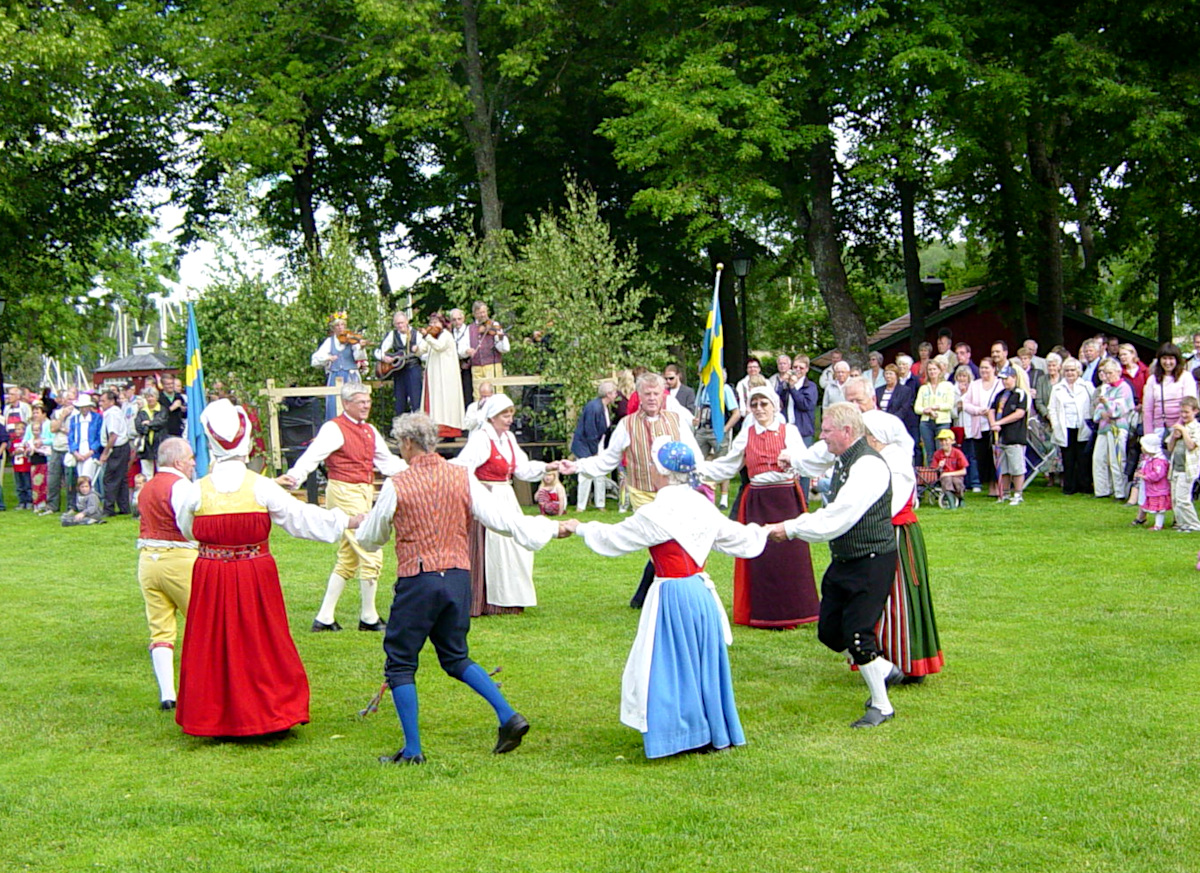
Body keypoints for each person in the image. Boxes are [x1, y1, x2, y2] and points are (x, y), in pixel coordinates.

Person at [356, 413, 565, 764]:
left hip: (418, 578)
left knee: (401, 663)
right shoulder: (462, 476)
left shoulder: (397, 483)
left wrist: (363, 529)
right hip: (457, 579)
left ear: (407, 444)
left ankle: (412, 751)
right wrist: (547, 530)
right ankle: (508, 716)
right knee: (455, 656)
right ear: (433, 442)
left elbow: (371, 537)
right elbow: (500, 520)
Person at [563, 439, 768, 758]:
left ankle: (680, 734)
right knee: (700, 663)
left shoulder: (657, 512)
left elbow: (615, 539)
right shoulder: (702, 504)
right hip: (699, 594)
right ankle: (710, 729)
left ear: (662, 473)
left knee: (668, 664)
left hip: (672, 592)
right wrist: (768, 532)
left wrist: (580, 527)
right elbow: (736, 539)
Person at [174, 399, 361, 738]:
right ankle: (269, 713)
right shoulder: (260, 486)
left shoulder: (196, 492)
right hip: (253, 575)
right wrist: (346, 519)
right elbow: (300, 518)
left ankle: (218, 716)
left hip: (213, 575)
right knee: (261, 642)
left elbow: (186, 530)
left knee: (214, 643)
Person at [767, 403, 900, 728]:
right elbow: (815, 457)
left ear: (847, 432)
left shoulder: (868, 466)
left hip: (872, 559)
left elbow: (838, 517)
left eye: (827, 430)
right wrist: (793, 460)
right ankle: (884, 670)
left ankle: (882, 706)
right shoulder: (842, 454)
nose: (822, 435)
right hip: (846, 559)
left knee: (857, 634)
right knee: (829, 632)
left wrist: (792, 528)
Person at [559, 372, 707, 609]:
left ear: (663, 395)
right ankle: (651, 594)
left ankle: (649, 594)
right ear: (639, 395)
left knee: (672, 540)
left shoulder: (676, 420)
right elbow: (607, 459)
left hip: (675, 491)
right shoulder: (627, 424)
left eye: (656, 393)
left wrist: (698, 482)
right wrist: (577, 466)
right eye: (646, 394)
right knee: (657, 538)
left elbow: (694, 455)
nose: (651, 398)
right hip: (642, 492)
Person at [277, 383, 406, 633]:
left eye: (367, 401)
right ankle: (368, 617)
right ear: (346, 403)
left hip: (362, 490)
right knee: (370, 548)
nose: (366, 405)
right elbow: (312, 456)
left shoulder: (368, 430)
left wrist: (417, 470)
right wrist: (294, 478)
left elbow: (386, 461)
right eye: (360, 401)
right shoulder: (334, 428)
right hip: (344, 490)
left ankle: (324, 618)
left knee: (348, 556)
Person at [703, 385, 818, 628]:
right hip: (758, 499)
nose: (759, 409)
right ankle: (763, 613)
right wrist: (698, 469)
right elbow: (728, 466)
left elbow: (805, 462)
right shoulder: (746, 434)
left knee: (790, 556)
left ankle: (794, 612)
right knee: (761, 555)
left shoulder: (790, 431)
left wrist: (793, 462)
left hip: (786, 497)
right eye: (754, 404)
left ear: (774, 406)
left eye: (764, 404)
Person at [453, 394, 555, 615]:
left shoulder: (508, 438)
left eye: (510, 414)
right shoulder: (481, 438)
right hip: (486, 495)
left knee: (515, 547)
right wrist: (476, 491)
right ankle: (487, 601)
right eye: (504, 415)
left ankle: (509, 599)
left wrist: (547, 467)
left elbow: (521, 468)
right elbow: (463, 467)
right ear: (492, 416)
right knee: (494, 548)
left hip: (506, 495)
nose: (509, 419)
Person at [136, 438, 199, 710]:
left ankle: (167, 694)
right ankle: (207, 684)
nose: (193, 463)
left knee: (160, 629)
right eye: (190, 458)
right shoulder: (181, 486)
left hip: (147, 560)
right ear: (178, 462)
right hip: (179, 558)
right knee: (203, 620)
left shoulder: (146, 487)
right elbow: (189, 524)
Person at [1049, 358, 1095, 495]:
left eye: (1073, 370)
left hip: (1082, 426)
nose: (1070, 373)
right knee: (1068, 459)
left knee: (1083, 458)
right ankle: (1069, 487)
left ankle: (1084, 486)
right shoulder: (1057, 388)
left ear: (1078, 371)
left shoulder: (1087, 386)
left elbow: (1093, 404)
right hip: (1065, 427)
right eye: (1067, 370)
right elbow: (1052, 408)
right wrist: (1055, 425)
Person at [571, 381, 618, 512]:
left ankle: (600, 504)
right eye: (614, 393)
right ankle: (581, 506)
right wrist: (594, 452)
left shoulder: (603, 406)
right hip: (587, 445)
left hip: (599, 444)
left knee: (600, 474)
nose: (616, 395)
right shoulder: (594, 407)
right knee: (585, 474)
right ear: (608, 394)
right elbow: (590, 431)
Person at [1091, 359, 1135, 501]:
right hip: (1104, 428)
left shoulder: (1124, 388)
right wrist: (1103, 411)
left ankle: (1120, 492)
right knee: (1098, 458)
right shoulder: (1107, 388)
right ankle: (1102, 490)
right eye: (1105, 373)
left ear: (1118, 372)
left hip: (1117, 428)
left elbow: (1117, 411)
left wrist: (1106, 405)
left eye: (1110, 373)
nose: (1108, 376)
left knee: (1117, 459)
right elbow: (1097, 412)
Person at [312, 312, 367, 420]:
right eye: (337, 325)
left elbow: (358, 357)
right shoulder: (329, 341)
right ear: (333, 328)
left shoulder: (352, 340)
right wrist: (327, 358)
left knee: (354, 404)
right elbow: (315, 360)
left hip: (351, 377)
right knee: (333, 406)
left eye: (343, 325)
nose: (341, 328)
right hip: (335, 377)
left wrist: (361, 347)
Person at [418, 312, 465, 434]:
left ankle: (449, 430)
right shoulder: (432, 336)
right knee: (434, 401)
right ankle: (433, 428)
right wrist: (417, 347)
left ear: (442, 324)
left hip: (446, 375)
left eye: (435, 322)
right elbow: (421, 349)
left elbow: (439, 346)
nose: (433, 325)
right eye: (431, 323)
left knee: (445, 401)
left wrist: (427, 337)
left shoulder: (446, 335)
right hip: (434, 375)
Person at [962, 358, 1004, 496]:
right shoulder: (974, 385)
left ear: (993, 369)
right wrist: (979, 411)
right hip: (979, 427)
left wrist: (992, 413)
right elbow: (966, 404)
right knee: (982, 457)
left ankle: (997, 487)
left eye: (987, 367)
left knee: (995, 457)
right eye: (982, 368)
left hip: (995, 426)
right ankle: (988, 485)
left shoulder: (1000, 384)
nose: (984, 370)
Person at [989, 366, 1029, 505]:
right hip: (1000, 437)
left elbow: (1019, 413)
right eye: (1003, 379)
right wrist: (993, 423)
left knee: (1016, 467)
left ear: (1014, 378)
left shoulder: (1020, 394)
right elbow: (991, 410)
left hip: (1014, 436)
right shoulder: (1000, 395)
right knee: (1003, 467)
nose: (1005, 382)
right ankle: (1004, 493)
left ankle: (1018, 493)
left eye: (1007, 378)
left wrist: (1000, 422)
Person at [1143, 343, 1197, 439]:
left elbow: (1190, 405)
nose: (1167, 362)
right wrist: (1148, 434)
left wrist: (1178, 427)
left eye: (1171, 359)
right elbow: (1148, 409)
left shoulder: (1186, 377)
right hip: (1158, 428)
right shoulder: (1152, 379)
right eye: (1164, 358)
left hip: (1181, 428)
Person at [375, 311, 423, 416]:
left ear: (407, 321)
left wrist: (419, 351)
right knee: (399, 402)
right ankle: (400, 428)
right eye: (397, 324)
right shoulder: (393, 335)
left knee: (416, 401)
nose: (400, 325)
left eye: (402, 322)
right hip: (399, 372)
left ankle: (418, 428)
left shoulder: (417, 334)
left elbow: (424, 354)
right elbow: (378, 351)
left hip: (413, 369)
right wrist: (384, 357)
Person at [1167, 397, 1200, 532]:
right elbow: (1169, 448)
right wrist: (1174, 437)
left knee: (1183, 499)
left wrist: (1184, 432)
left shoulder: (1196, 428)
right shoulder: (1180, 427)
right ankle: (1182, 523)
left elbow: (1192, 445)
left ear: (1195, 411)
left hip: (1187, 470)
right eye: (1182, 412)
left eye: (1187, 412)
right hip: (1175, 467)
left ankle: (1194, 524)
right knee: (1175, 499)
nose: (1184, 415)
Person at [466, 301, 510, 401]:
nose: (483, 315)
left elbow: (504, 349)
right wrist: (467, 350)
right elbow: (464, 347)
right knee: (478, 394)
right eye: (479, 313)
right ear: (474, 314)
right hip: (476, 366)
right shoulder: (469, 328)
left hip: (492, 365)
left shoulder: (494, 325)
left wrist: (500, 337)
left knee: (495, 392)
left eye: (484, 312)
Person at [98, 389, 132, 516]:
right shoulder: (114, 412)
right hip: (122, 447)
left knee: (110, 478)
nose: (100, 403)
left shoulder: (112, 414)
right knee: (121, 478)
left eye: (103, 401)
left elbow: (113, 435)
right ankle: (124, 507)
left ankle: (109, 509)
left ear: (112, 401)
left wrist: (105, 452)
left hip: (117, 448)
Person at [914, 359, 955, 465]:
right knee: (929, 452)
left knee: (941, 450)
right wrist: (925, 410)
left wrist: (936, 407)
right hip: (926, 422)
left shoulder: (947, 386)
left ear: (940, 370)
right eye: (930, 370)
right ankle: (932, 478)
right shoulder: (923, 388)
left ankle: (943, 476)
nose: (932, 372)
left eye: (934, 369)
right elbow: (917, 407)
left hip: (942, 421)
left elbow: (949, 404)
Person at [1131, 433, 1170, 530]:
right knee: (1155, 506)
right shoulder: (1149, 459)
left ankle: (1158, 525)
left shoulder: (1159, 461)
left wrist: (1145, 476)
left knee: (1159, 508)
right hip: (1152, 489)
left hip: (1159, 489)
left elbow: (1157, 475)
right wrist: (1142, 472)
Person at [134, 386, 168, 480]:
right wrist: (150, 426)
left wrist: (148, 423)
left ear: (156, 397)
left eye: (152, 396)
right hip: (146, 446)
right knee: (146, 473)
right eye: (148, 396)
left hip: (159, 443)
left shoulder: (162, 409)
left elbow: (161, 423)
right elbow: (138, 427)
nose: (150, 399)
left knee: (161, 471)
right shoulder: (142, 412)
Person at [932, 429, 967, 503]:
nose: (943, 443)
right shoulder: (937, 454)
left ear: (952, 441)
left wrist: (948, 473)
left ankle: (960, 498)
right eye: (941, 440)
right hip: (944, 478)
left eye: (946, 440)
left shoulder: (958, 453)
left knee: (956, 481)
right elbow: (934, 470)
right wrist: (939, 466)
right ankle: (951, 502)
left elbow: (964, 471)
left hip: (956, 476)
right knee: (947, 479)